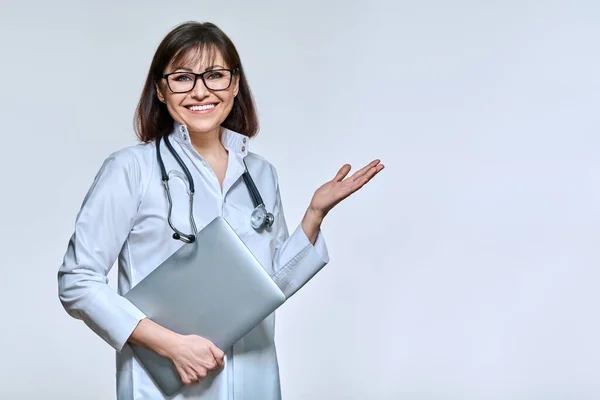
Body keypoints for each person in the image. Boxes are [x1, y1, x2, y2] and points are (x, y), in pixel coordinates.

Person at [57, 21, 384, 400]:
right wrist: (170, 345)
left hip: (253, 380)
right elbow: (77, 281)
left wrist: (313, 215)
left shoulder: (259, 173)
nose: (200, 91)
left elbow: (266, 287)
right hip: (166, 386)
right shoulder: (131, 169)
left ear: (234, 84)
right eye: (182, 77)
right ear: (161, 90)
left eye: (215, 75)